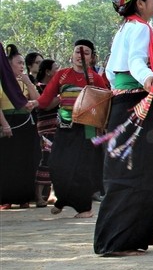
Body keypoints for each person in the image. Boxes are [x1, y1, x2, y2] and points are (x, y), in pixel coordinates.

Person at [94, 0, 153, 256]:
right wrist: (149, 78)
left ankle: (124, 239)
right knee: (136, 172)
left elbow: (111, 71)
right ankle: (118, 242)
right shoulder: (141, 28)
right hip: (135, 104)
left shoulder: (124, 29)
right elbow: (136, 61)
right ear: (139, 3)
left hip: (122, 104)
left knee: (127, 172)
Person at [29, 41, 109, 218]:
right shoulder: (62, 75)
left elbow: (104, 101)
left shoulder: (95, 78)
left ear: (92, 57)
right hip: (65, 127)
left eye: (86, 53)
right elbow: (47, 96)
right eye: (78, 52)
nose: (81, 56)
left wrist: (101, 125)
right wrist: (35, 103)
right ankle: (63, 199)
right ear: (71, 55)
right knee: (56, 164)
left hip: (87, 128)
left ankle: (84, 208)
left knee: (82, 168)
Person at [0, 45, 40, 209]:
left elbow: (38, 100)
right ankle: (6, 199)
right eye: (19, 63)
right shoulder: (3, 83)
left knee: (26, 161)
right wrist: (5, 125)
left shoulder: (24, 82)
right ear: (7, 65)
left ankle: (24, 197)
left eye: (23, 63)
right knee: (8, 162)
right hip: (9, 123)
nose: (22, 66)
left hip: (25, 125)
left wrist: (29, 83)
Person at [33, 58, 58, 207]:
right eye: (55, 68)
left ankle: (52, 193)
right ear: (48, 71)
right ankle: (38, 195)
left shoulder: (56, 88)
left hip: (58, 125)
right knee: (46, 158)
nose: (58, 70)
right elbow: (46, 105)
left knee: (56, 159)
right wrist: (62, 97)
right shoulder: (40, 88)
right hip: (46, 127)